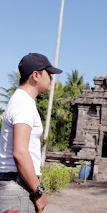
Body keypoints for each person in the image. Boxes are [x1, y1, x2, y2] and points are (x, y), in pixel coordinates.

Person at [0, 53, 62, 213]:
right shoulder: (24, 103)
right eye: (48, 73)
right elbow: (20, 152)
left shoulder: (20, 101)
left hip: (15, 186)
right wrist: (38, 191)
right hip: (18, 189)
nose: (51, 78)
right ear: (35, 75)